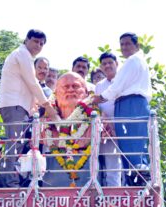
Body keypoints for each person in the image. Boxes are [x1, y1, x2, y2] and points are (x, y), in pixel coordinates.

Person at [0, 29, 58, 187]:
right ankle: (10, 184)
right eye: (36, 41)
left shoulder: (25, 56)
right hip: (14, 106)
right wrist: (48, 106)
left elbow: (29, 86)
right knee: (14, 145)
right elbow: (32, 83)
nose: (38, 45)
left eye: (41, 43)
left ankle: (13, 181)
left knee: (16, 145)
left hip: (19, 107)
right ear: (27, 40)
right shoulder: (22, 54)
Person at [93, 32, 152, 186]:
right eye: (122, 44)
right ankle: (135, 180)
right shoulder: (136, 61)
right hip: (128, 104)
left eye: (128, 44)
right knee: (130, 145)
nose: (124, 47)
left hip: (131, 103)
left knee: (133, 142)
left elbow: (116, 87)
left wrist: (99, 98)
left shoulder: (133, 60)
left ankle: (139, 178)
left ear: (137, 45)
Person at [42, 72, 97, 187]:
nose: (70, 90)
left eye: (76, 86)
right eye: (66, 87)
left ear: (86, 92)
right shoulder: (43, 123)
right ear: (56, 93)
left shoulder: (97, 118)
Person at [95, 52, 122, 187]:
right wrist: (106, 122)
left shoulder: (124, 80)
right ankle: (113, 193)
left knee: (131, 161)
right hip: (107, 129)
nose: (107, 65)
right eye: (104, 64)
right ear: (101, 67)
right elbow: (97, 107)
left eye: (110, 62)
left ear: (116, 64)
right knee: (111, 163)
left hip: (125, 126)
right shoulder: (99, 86)